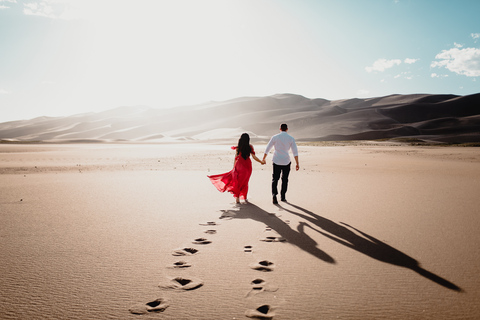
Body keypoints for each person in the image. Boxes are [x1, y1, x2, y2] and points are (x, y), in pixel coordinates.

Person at [208, 133, 264, 204]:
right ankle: (245, 197)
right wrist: (261, 162)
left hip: (239, 165)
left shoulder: (238, 147)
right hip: (247, 166)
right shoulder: (250, 146)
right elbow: (254, 157)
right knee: (245, 182)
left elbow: (236, 157)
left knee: (237, 181)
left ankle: (237, 198)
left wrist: (234, 167)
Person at [262, 123, 299, 204]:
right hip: (286, 161)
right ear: (287, 129)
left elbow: (268, 148)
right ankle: (283, 196)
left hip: (276, 161)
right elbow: (295, 151)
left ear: (280, 129)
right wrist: (297, 163)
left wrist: (264, 158)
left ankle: (274, 194)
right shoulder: (291, 138)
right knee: (285, 179)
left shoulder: (275, 137)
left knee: (275, 179)